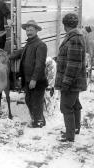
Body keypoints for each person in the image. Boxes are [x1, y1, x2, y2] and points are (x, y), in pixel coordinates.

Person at [55, 13, 87, 142]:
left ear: (65, 25)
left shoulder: (74, 38)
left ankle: (70, 136)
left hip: (71, 81)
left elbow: (74, 64)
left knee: (66, 107)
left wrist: (66, 83)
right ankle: (75, 129)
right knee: (74, 105)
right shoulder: (75, 37)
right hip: (74, 80)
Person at [11, 20, 48, 128]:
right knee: (29, 100)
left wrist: (34, 79)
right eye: (27, 30)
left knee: (36, 101)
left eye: (31, 30)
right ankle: (39, 119)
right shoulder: (29, 44)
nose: (29, 32)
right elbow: (20, 53)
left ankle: (38, 122)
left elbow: (39, 64)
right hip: (27, 79)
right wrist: (5, 56)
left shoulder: (40, 45)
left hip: (37, 80)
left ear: (36, 30)